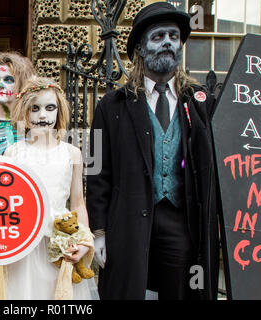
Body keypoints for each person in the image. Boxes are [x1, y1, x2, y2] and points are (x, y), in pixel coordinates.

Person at [86, 2, 219, 300]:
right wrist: (99, 231)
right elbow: (95, 170)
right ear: (141, 49)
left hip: (181, 223)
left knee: (183, 292)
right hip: (128, 221)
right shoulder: (111, 106)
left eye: (173, 36)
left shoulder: (200, 104)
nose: (168, 43)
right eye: (158, 37)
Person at [0, 76, 98, 300]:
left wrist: (84, 241)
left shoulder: (71, 153)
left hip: (59, 241)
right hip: (23, 246)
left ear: (58, 111)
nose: (42, 115)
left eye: (49, 108)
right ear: (25, 112)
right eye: (35, 109)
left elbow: (78, 202)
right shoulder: (13, 153)